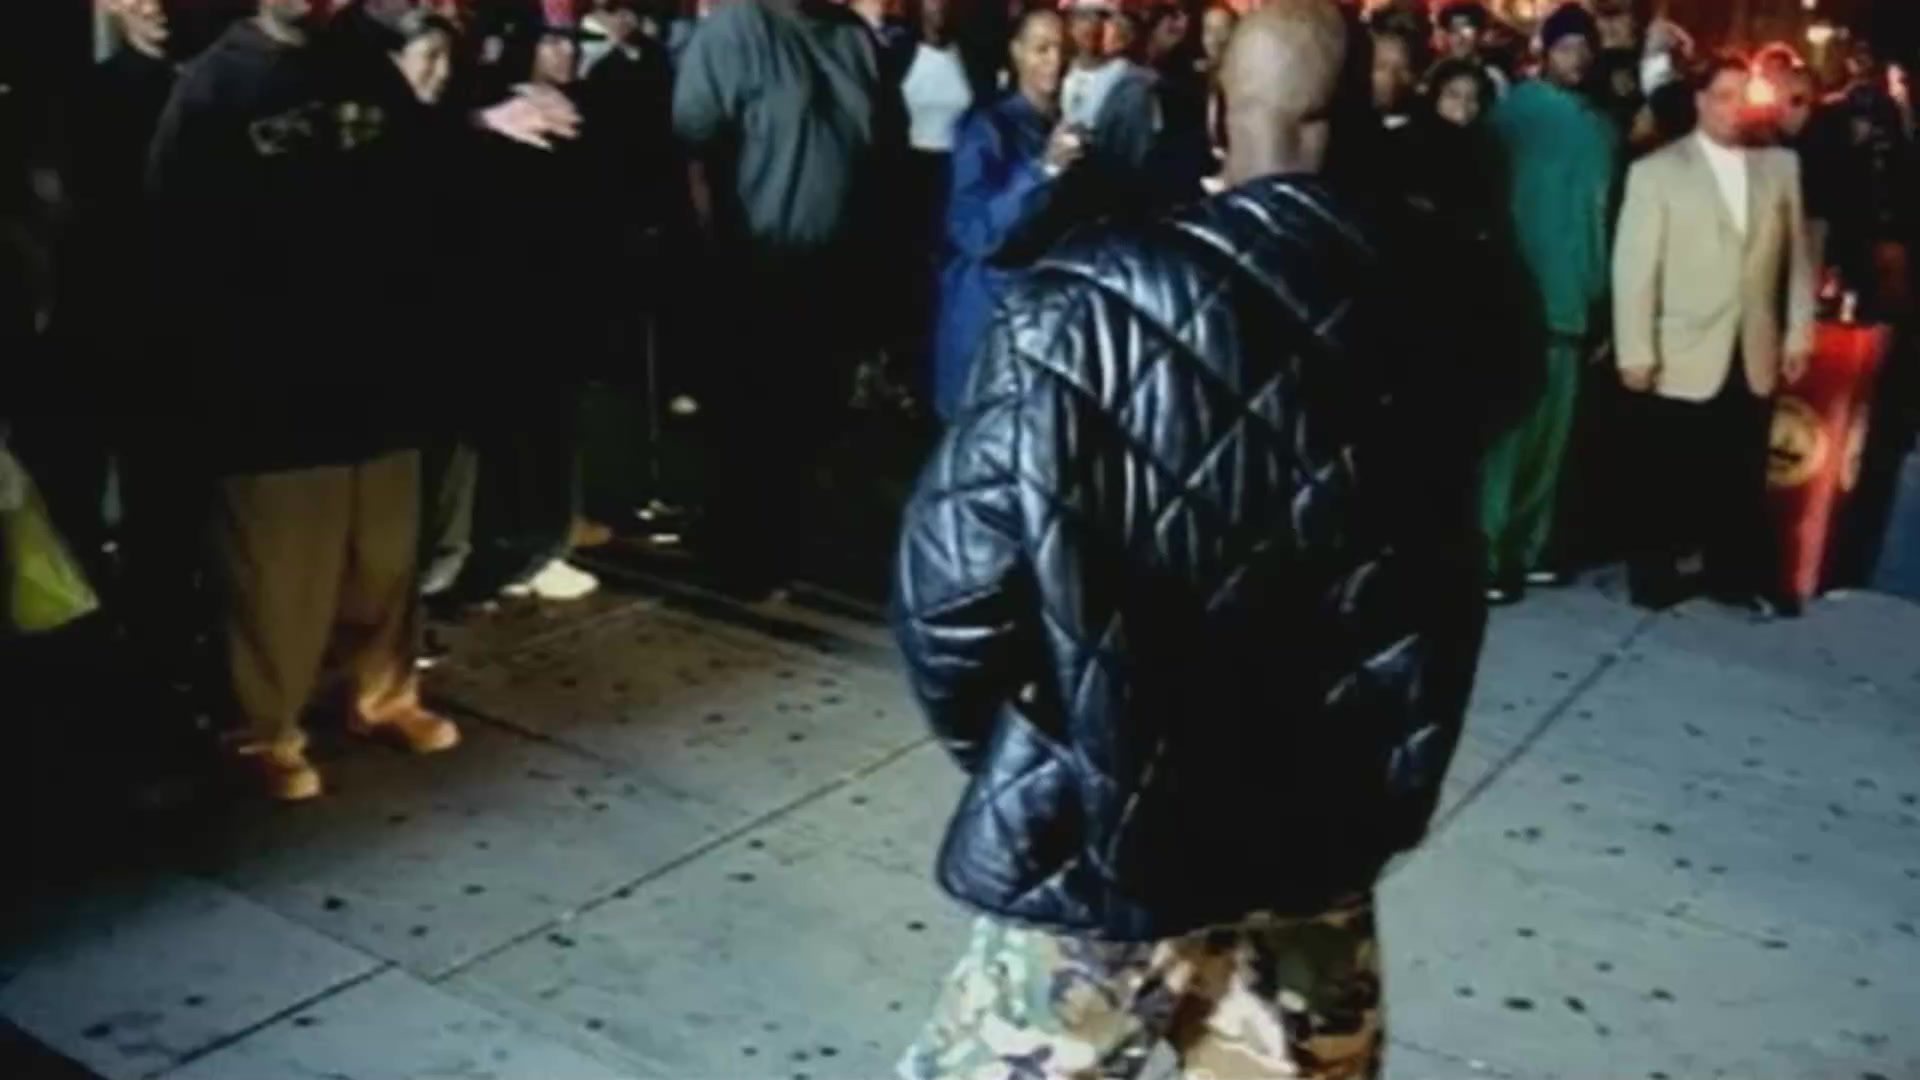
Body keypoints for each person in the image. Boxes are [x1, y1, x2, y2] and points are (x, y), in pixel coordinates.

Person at [893, 1, 1487, 1076]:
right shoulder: (1442, 316)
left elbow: (951, 599)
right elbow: (1438, 602)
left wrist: (1052, 750)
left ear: (1216, 115)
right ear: (1361, 121)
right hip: (1314, 845)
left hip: (1097, 849)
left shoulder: (1075, 306)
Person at [673, 0, 889, 596]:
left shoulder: (853, 38)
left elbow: (878, 153)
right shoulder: (735, 31)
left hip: (836, 268)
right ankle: (744, 555)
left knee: (816, 420)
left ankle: (795, 545)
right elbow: (692, 153)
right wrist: (720, 262)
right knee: (755, 425)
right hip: (759, 268)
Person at [1614, 55, 1816, 614]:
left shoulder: (1780, 168)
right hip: (1681, 344)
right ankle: (1654, 572)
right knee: (1668, 467)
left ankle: (1732, 573)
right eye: (1722, 96)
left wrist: (1798, 332)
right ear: (1701, 101)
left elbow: (1798, 260)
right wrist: (1635, 348)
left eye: (1742, 97)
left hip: (1753, 342)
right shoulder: (1657, 172)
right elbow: (1635, 269)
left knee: (1741, 464)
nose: (1734, 109)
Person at [1478, 2, 1619, 605]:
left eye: (1584, 49)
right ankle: (1485, 552)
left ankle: (1525, 549)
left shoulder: (1601, 127)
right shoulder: (1513, 115)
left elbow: (1604, 217)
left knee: (1550, 439)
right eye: (1566, 47)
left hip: (1575, 296)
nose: (1577, 59)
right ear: (1545, 51)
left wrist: (1601, 297)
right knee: (1508, 435)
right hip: (1519, 290)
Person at [928, 7, 1085, 420]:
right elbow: (974, 232)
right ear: (1016, 52)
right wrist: (1043, 171)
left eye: (1062, 49)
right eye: (1041, 49)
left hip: (1044, 321)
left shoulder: (1067, 133)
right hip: (987, 315)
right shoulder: (986, 129)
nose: (1055, 60)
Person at [1061, 0, 1124, 130]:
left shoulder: (1127, 79)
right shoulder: (1058, 72)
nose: (1093, 25)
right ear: (1070, 24)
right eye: (1084, 16)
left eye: (1102, 16)